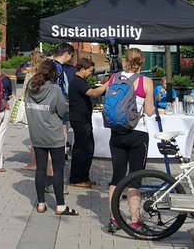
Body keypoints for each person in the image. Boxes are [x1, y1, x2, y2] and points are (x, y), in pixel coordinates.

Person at [101, 48, 156, 234]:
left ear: (125, 60)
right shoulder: (146, 82)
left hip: (116, 133)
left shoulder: (113, 79)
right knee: (135, 178)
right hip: (137, 133)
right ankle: (135, 221)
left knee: (116, 177)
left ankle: (114, 218)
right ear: (142, 62)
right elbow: (149, 112)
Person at [24, 61, 74, 215]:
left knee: (40, 169)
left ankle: (40, 203)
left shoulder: (30, 88)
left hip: (36, 134)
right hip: (54, 135)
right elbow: (62, 110)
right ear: (54, 74)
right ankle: (60, 206)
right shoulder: (55, 89)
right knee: (58, 171)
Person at [67, 57, 105, 187]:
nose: (91, 74)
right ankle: (76, 178)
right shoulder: (78, 81)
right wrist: (107, 84)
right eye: (90, 71)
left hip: (84, 118)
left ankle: (84, 175)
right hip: (79, 118)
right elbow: (93, 93)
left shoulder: (81, 81)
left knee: (88, 148)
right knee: (81, 148)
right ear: (82, 69)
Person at [20, 50, 46, 172]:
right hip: (45, 109)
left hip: (32, 109)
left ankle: (34, 163)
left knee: (34, 138)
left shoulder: (30, 75)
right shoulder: (46, 76)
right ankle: (44, 162)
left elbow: (24, 92)